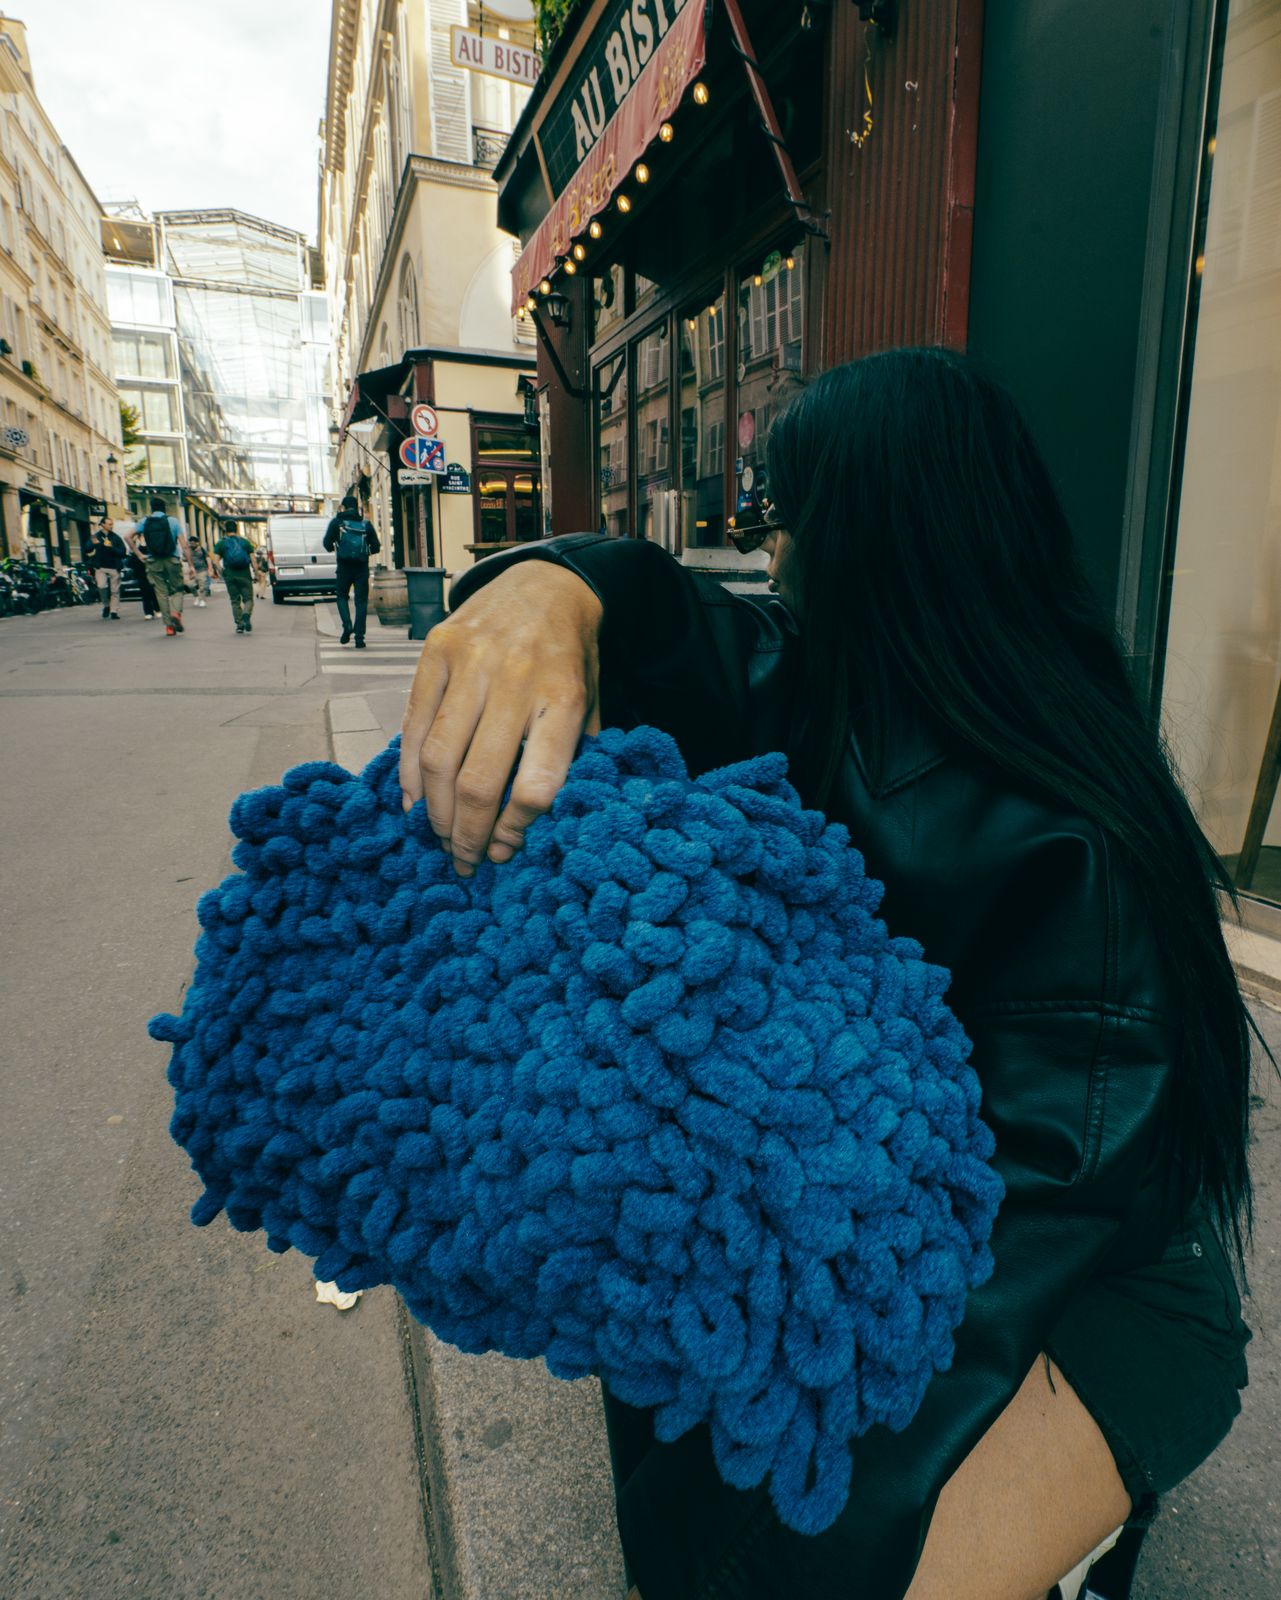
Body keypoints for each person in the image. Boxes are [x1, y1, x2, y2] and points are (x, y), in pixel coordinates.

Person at [397, 349, 1258, 1600]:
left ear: (880, 538)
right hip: (893, 1225)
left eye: (790, 523)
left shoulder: (1082, 855)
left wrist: (776, 1517)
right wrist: (546, 586)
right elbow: (685, 630)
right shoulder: (822, 685)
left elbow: (1003, 1258)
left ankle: (1088, 1528)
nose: (772, 558)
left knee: (788, 1549)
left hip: (1100, 1295)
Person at [322, 494, 380, 648]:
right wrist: (364, 552)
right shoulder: (366, 524)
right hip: (361, 568)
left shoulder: (337, 523)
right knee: (361, 602)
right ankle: (359, 638)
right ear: (357, 507)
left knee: (341, 596)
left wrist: (336, 546)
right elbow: (376, 546)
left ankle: (347, 625)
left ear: (343, 507)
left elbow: (326, 544)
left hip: (343, 567)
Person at [130, 497, 191, 636]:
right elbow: (184, 545)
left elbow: (127, 536)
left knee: (161, 593)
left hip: (153, 560)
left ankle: (169, 626)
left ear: (151, 508)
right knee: (177, 589)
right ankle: (176, 613)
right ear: (165, 508)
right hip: (172, 559)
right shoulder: (173, 521)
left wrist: (139, 554)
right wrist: (190, 564)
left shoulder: (145, 521)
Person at [212, 518, 257, 634]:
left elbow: (216, 561)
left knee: (235, 600)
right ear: (236, 529)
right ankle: (246, 614)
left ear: (226, 530)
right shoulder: (245, 542)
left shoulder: (221, 543)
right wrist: (256, 573)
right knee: (248, 599)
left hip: (230, 575)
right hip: (245, 574)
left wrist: (222, 572)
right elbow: (253, 560)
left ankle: (239, 625)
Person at [84, 517, 127, 620]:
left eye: (112, 524)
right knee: (101, 586)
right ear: (102, 524)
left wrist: (111, 547)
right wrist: (93, 544)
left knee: (115, 590)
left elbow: (122, 552)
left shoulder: (116, 537)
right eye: (109, 524)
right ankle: (106, 605)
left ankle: (114, 611)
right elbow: (87, 548)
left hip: (114, 567)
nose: (111, 526)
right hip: (100, 567)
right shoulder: (96, 536)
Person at [189, 538, 211, 606]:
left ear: (197, 543)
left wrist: (210, 568)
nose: (191, 544)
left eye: (193, 543)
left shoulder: (202, 550)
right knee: (190, 585)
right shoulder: (188, 550)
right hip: (193, 571)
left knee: (202, 586)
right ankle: (196, 597)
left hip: (202, 570)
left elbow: (208, 558)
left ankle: (203, 600)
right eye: (190, 543)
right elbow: (184, 559)